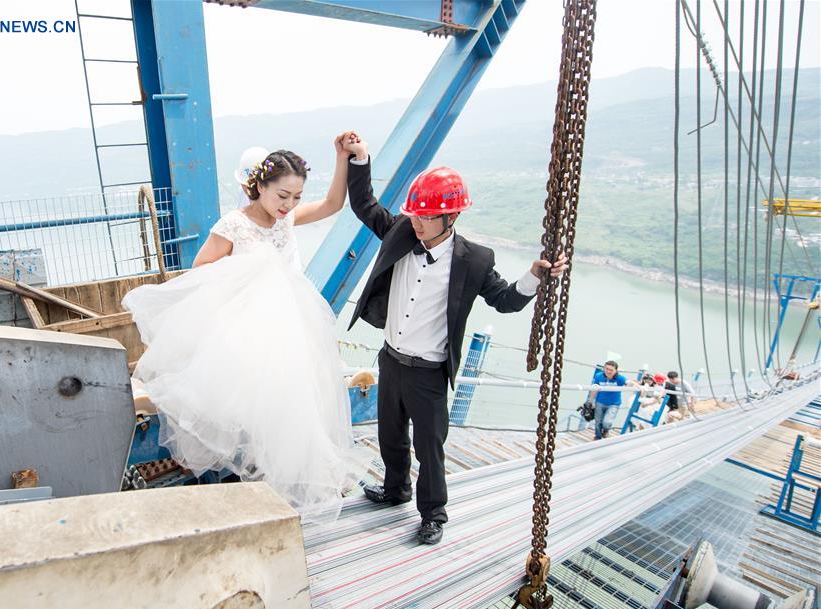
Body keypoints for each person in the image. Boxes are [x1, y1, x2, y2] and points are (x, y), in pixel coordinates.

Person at [342, 132, 568, 545]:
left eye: (425, 217)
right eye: (414, 215)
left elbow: (504, 300)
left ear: (452, 218)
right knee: (390, 435)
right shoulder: (400, 231)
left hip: (428, 372)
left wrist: (534, 276)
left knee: (431, 448)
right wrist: (360, 159)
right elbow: (364, 205)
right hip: (391, 359)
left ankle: (433, 514)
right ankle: (395, 490)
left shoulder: (475, 260)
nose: (416, 222)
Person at [123, 134, 360, 524]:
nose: (289, 206)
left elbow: (334, 204)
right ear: (260, 186)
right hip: (246, 338)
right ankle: (243, 505)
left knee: (291, 416)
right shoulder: (233, 226)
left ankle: (282, 502)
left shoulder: (287, 222)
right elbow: (201, 273)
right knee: (247, 422)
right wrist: (248, 278)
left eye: (296, 197)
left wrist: (341, 159)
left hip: (291, 334)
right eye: (282, 195)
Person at [587, 360, 627, 440]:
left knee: (607, 422)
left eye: (611, 370)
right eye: (606, 369)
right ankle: (598, 436)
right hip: (600, 402)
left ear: (616, 371)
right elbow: (594, 389)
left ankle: (606, 430)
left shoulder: (619, 378)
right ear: (604, 369)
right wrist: (590, 401)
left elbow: (628, 382)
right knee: (598, 421)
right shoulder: (599, 376)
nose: (608, 371)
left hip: (613, 404)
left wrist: (639, 386)